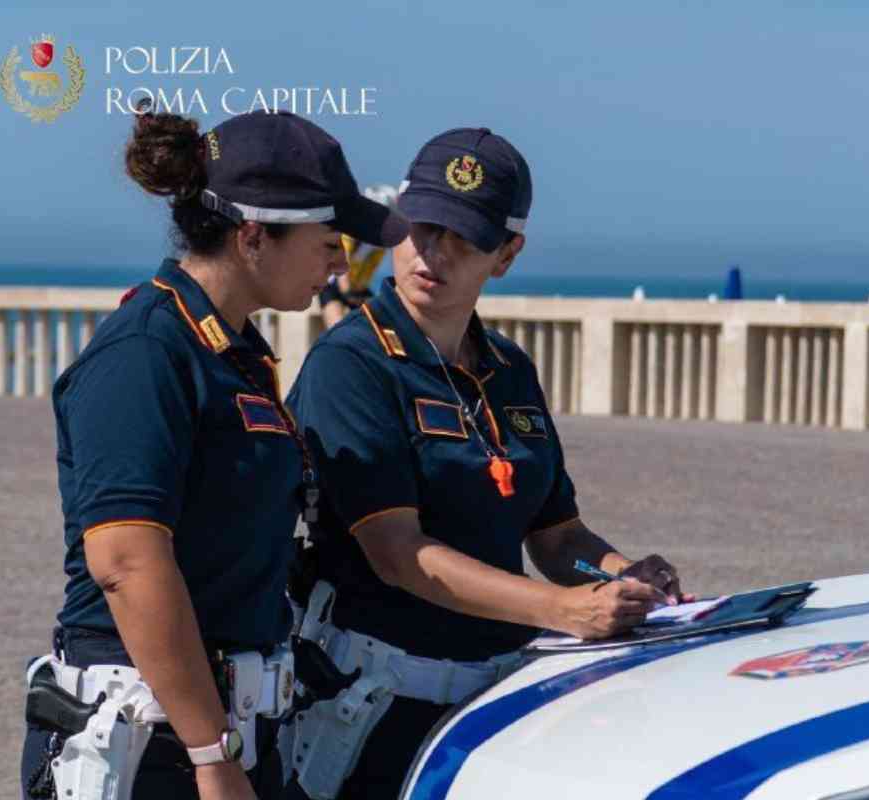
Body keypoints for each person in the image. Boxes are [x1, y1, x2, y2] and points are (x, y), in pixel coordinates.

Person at [283, 128, 691, 799]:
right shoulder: (352, 365)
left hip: (493, 710)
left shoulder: (508, 368)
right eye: (421, 227)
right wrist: (563, 609)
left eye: (464, 237)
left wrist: (622, 577)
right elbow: (397, 553)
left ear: (506, 255)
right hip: (372, 714)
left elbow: (558, 538)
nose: (432, 253)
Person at [19, 107, 407, 800]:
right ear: (254, 236)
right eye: (328, 238)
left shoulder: (234, 352)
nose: (341, 261)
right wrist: (210, 754)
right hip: (155, 746)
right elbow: (127, 564)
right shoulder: (147, 353)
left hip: (229, 731)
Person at [318, 185, 399, 329]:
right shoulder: (351, 233)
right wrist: (351, 294)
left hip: (355, 287)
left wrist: (359, 293)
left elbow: (369, 270)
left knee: (382, 326)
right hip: (333, 284)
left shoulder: (380, 242)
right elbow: (341, 272)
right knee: (336, 329)